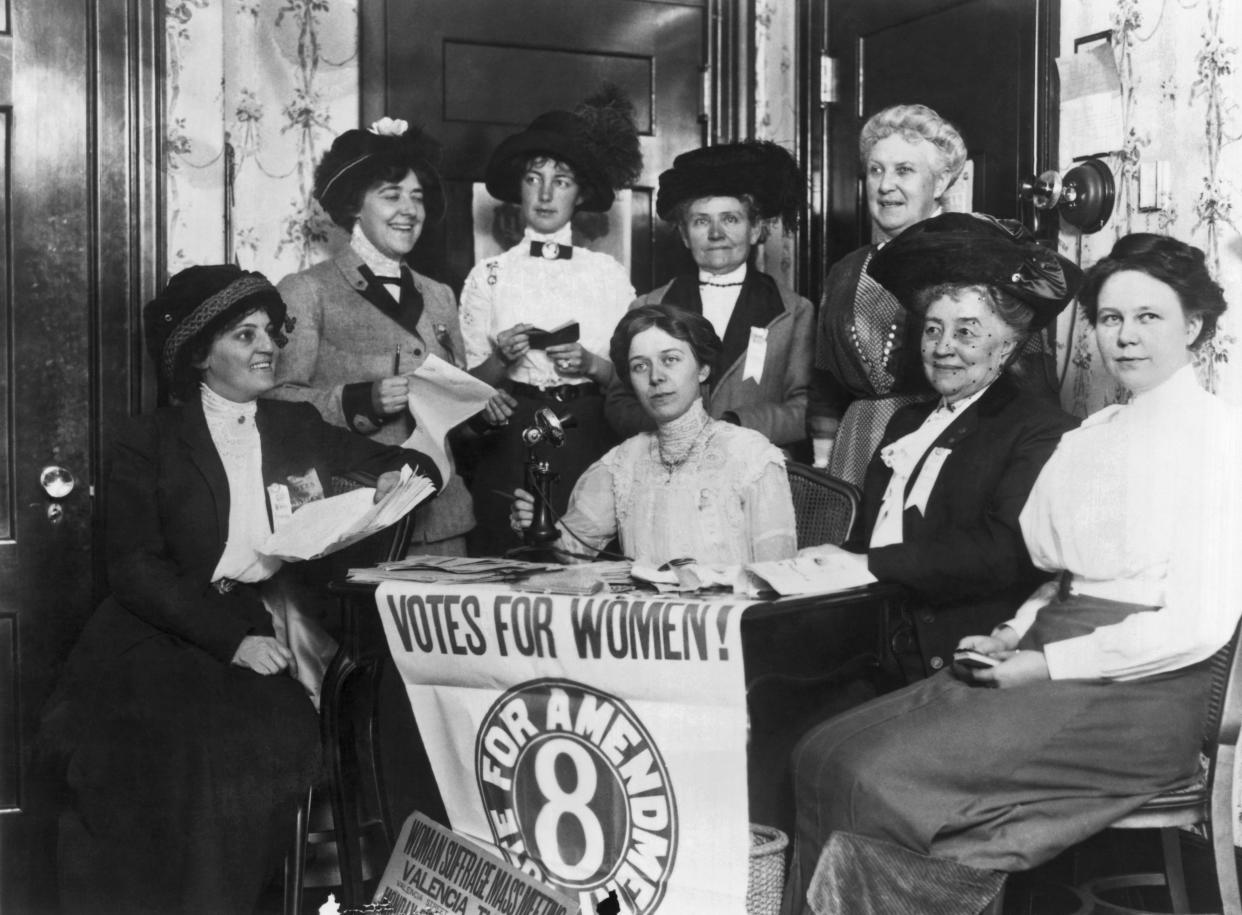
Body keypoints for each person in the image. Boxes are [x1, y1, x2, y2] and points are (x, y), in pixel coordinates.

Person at [784, 234, 1242, 915]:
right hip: (1049, 648)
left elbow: (1198, 625)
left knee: (871, 772)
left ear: (1195, 326)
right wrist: (1011, 632)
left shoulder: (1218, 437)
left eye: (1149, 317)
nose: (1126, 336)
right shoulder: (1095, 434)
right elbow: (1059, 574)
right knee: (821, 749)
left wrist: (1046, 663)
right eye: (1110, 318)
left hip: (1142, 690)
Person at [40, 266, 443, 915]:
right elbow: (137, 569)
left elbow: (405, 465)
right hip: (153, 635)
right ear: (199, 354)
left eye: (270, 332)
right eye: (244, 334)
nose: (268, 346)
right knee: (167, 750)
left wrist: (402, 474)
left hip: (262, 622)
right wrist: (232, 640)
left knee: (254, 743)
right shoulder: (148, 441)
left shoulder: (295, 426)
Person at [840, 212, 1082, 680]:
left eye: (966, 332)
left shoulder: (1040, 428)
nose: (942, 347)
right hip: (875, 634)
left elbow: (1004, 553)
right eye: (933, 329)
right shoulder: (907, 421)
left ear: (1009, 346)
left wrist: (865, 564)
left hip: (958, 648)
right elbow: (874, 534)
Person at [268, 117, 493, 555]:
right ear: (355, 205)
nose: (409, 210)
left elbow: (450, 416)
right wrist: (359, 400)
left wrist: (480, 413)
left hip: (444, 522)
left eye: (417, 197)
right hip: (358, 519)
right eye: (391, 196)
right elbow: (275, 401)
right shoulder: (307, 290)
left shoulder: (441, 295)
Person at [460, 87, 642, 556]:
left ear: (579, 194)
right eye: (533, 178)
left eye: (560, 181)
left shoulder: (607, 275)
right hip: (511, 439)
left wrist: (593, 364)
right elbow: (466, 393)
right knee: (508, 567)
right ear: (518, 188)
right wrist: (502, 360)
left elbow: (636, 378)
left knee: (587, 562)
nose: (544, 193)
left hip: (591, 436)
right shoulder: (489, 275)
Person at [511, 304, 796, 567]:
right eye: (640, 366)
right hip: (647, 620)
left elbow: (777, 578)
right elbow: (572, 551)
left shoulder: (752, 457)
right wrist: (539, 523)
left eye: (670, 359)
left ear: (703, 370)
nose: (655, 377)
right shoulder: (623, 462)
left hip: (728, 618)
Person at [807, 104, 977, 485]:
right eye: (876, 170)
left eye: (904, 170)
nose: (885, 186)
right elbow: (824, 385)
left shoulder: (972, 262)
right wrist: (821, 472)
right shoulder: (845, 271)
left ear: (941, 181)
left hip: (941, 452)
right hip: (854, 452)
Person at [604, 141, 813, 449]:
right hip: (667, 471)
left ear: (755, 229)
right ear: (686, 235)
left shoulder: (794, 312)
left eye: (730, 219)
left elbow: (803, 407)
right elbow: (618, 402)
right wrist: (674, 426)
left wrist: (735, 425)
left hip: (753, 472)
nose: (716, 234)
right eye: (702, 221)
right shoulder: (648, 306)